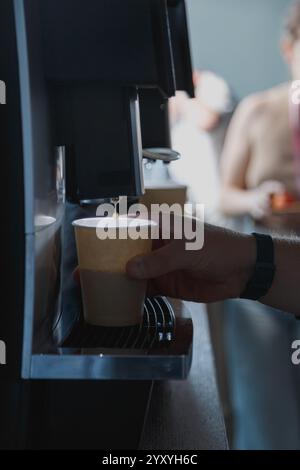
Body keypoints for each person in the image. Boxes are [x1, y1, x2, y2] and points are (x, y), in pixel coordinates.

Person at [216, 0, 300, 449]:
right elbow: (223, 192)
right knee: (266, 414)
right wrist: (255, 196)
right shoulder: (256, 110)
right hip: (261, 270)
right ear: (289, 49)